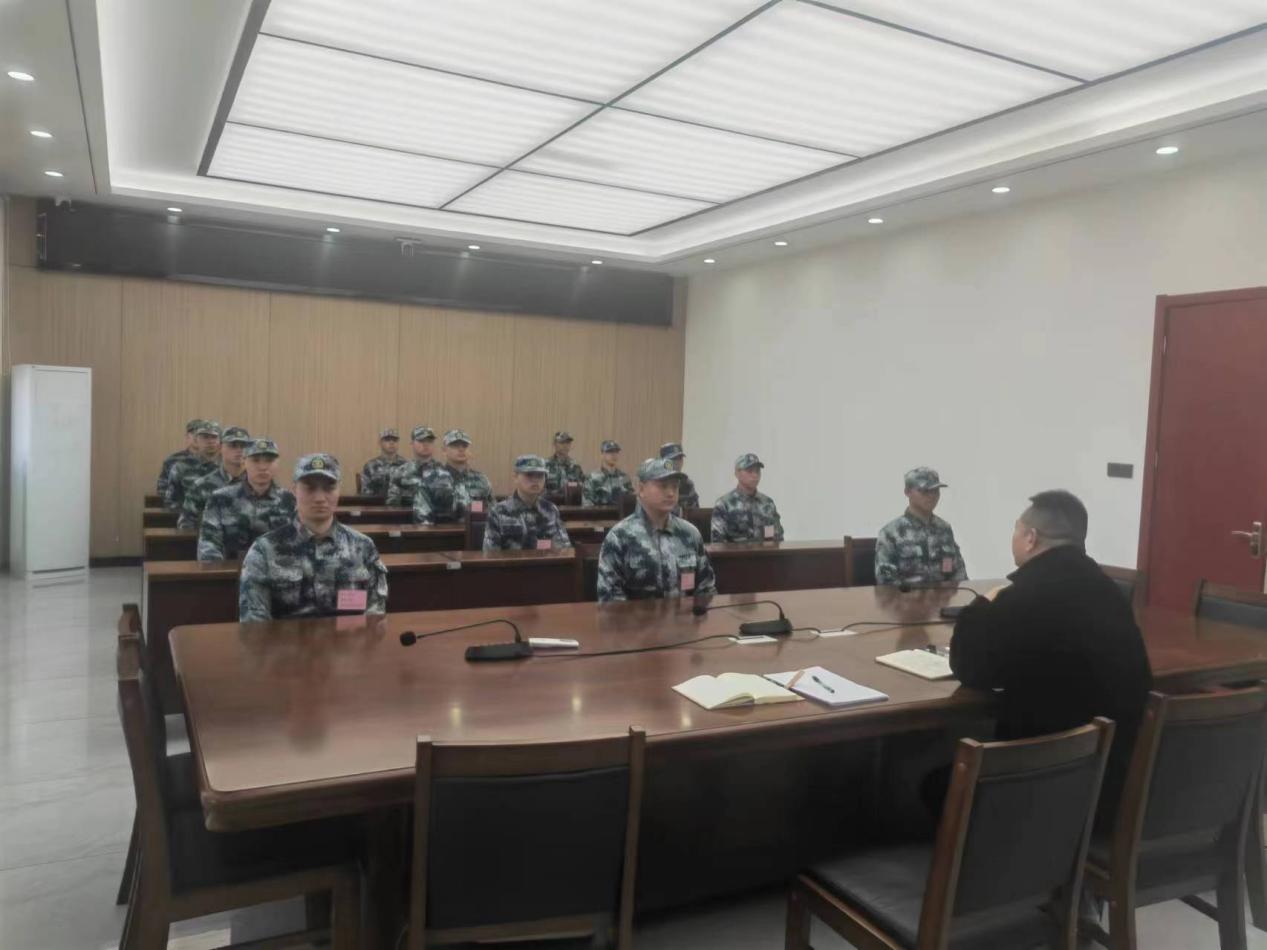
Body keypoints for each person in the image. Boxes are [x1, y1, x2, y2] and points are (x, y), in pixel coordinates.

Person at [949, 490, 1152, 829]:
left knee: (926, 785)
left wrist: (982, 605)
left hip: (1038, 791)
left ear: (1030, 538)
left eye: (1016, 529)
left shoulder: (1022, 598)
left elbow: (969, 669)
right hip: (1112, 784)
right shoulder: (1109, 592)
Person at [238, 454, 388, 622]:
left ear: (339, 489)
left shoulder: (363, 546)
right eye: (309, 488)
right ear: (294, 490)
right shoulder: (264, 549)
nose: (319, 498)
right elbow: (254, 623)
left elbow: (375, 616)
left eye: (329, 488)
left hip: (351, 638)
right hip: (286, 639)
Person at [597, 458, 717, 602]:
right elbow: (610, 600)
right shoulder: (619, 537)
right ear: (641, 489)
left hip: (684, 616)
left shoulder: (690, 534)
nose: (671, 493)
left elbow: (706, 589)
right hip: (636, 617)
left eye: (675, 487)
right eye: (663, 486)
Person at [197, 438, 297, 561]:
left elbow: (299, 544)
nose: (263, 467)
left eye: (269, 461)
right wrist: (217, 570)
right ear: (244, 462)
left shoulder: (289, 500)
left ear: (277, 463)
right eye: (255, 460)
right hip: (230, 569)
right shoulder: (220, 498)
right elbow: (209, 544)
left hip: (277, 569)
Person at [874, 467, 967, 586]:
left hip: (944, 596)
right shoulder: (891, 533)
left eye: (935, 491)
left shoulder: (944, 529)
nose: (931, 496)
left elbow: (958, 573)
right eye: (924, 491)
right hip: (906, 597)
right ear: (907, 492)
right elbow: (886, 581)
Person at [483, 455, 572, 551]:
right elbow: (491, 554)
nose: (535, 480)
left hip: (546, 560)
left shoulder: (551, 510)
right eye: (529, 475)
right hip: (512, 561)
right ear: (515, 477)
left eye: (540, 475)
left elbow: (564, 549)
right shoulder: (498, 512)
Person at [413, 429, 495, 525]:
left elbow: (493, 513)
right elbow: (421, 517)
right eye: (455, 445)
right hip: (442, 533)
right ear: (444, 450)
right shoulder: (431, 479)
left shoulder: (481, 480)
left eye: (465, 446)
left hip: (476, 532)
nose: (461, 449)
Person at [178, 426, 252, 529]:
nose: (240, 450)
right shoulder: (202, 485)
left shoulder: (258, 485)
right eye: (233, 445)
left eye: (244, 446)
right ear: (220, 447)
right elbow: (186, 524)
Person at [710, 453, 784, 543]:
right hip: (735, 552)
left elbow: (778, 539)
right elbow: (718, 543)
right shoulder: (724, 504)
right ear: (737, 473)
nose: (755, 475)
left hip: (765, 552)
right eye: (750, 471)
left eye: (757, 471)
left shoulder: (768, 504)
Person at [163, 421, 221, 512]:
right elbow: (170, 500)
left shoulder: (230, 467)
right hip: (190, 518)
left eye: (214, 437)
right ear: (196, 440)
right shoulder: (181, 468)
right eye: (205, 437)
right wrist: (189, 514)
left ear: (220, 441)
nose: (210, 441)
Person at [385, 425, 438, 507]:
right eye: (421, 441)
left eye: (429, 441)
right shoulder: (400, 472)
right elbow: (392, 504)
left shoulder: (443, 472)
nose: (426, 444)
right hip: (407, 514)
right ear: (412, 443)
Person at [156, 418, 202, 498]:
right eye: (193, 433)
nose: (196, 437)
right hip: (178, 504)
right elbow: (162, 489)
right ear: (187, 437)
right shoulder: (172, 460)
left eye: (200, 434)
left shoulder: (215, 460)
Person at [583, 440, 633, 506]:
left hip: (621, 512)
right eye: (610, 451)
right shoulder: (592, 478)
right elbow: (587, 503)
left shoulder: (625, 478)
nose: (614, 455)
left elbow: (631, 501)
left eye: (616, 452)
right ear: (602, 455)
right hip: (599, 512)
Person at [360, 427, 407, 496]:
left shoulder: (407, 465)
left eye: (395, 440)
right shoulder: (370, 466)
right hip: (376, 502)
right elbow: (366, 492)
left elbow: (411, 491)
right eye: (387, 440)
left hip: (401, 502)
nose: (391, 443)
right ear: (380, 443)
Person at [658, 442, 700, 510]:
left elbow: (695, 510)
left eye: (680, 459)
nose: (677, 463)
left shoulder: (687, 484)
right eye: (673, 459)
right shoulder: (656, 483)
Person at [545, 431, 584, 500]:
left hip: (571, 504)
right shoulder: (546, 465)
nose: (565, 446)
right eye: (562, 443)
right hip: (551, 503)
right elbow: (540, 489)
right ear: (554, 444)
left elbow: (582, 488)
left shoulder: (575, 467)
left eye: (568, 443)